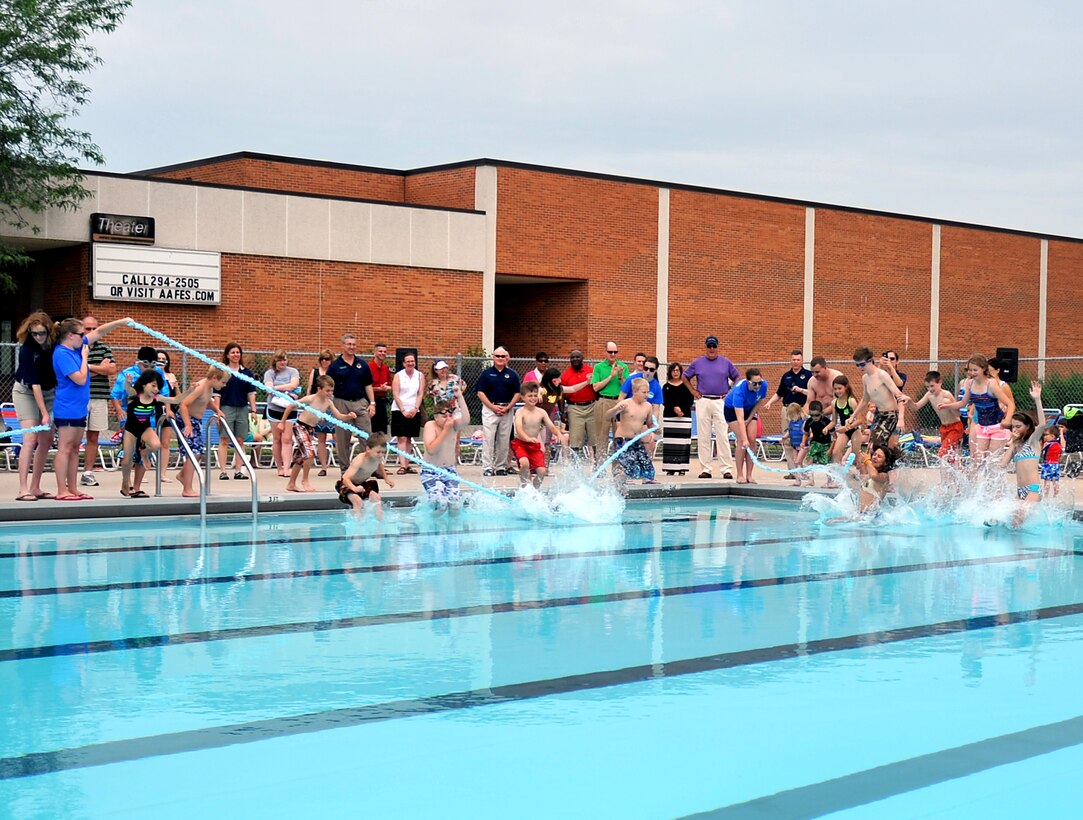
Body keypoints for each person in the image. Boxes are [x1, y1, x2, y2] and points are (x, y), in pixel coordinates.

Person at [51, 316, 131, 501]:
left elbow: (99, 332)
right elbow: (79, 378)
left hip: (79, 407)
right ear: (71, 335)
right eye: (81, 334)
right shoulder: (62, 353)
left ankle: (72, 488)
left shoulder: (77, 346)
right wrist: (86, 359)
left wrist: (120, 322)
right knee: (64, 448)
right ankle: (61, 489)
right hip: (67, 406)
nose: (85, 337)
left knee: (74, 448)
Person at [282, 374, 358, 492]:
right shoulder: (311, 398)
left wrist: (348, 416)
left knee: (300, 458)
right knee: (309, 453)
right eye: (327, 390)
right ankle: (305, 480)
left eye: (331, 391)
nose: (330, 393)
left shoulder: (328, 402)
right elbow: (291, 405)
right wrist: (283, 422)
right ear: (319, 389)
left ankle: (291, 484)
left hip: (311, 429)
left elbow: (339, 416)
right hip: (300, 426)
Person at [13, 311, 57, 501]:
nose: (38, 337)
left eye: (42, 333)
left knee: (46, 440)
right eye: (34, 333)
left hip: (49, 392)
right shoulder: (27, 349)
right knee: (30, 438)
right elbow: (34, 384)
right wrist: (44, 413)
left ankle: (36, 486)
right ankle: (23, 489)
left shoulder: (55, 345)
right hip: (26, 392)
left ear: (48, 331)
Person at [682, 335, 740, 479]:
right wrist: (693, 391)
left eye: (714, 346)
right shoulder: (698, 362)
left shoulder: (726, 363)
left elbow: (737, 378)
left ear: (717, 347)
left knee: (722, 435)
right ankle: (706, 469)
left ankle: (726, 469)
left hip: (721, 400)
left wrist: (731, 393)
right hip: (703, 400)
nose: (712, 349)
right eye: (709, 346)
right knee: (703, 435)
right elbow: (685, 377)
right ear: (706, 347)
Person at [119, 370, 183, 498]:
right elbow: (127, 389)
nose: (156, 389)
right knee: (127, 461)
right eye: (153, 385)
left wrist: (190, 390)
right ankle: (125, 483)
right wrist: (127, 382)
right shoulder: (134, 395)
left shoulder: (156, 398)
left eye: (158, 386)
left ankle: (144, 452)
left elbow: (176, 400)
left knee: (156, 445)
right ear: (143, 385)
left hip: (145, 428)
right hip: (131, 429)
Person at [938, 355, 1015, 461]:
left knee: (991, 461)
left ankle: (994, 477)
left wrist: (1007, 419)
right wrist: (947, 406)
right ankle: (976, 478)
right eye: (970, 370)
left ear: (983, 369)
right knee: (977, 459)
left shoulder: (991, 384)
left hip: (997, 426)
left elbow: (1010, 404)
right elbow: (963, 403)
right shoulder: (970, 383)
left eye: (975, 370)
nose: (972, 373)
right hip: (982, 426)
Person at [998, 384, 1046, 528]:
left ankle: (1020, 549)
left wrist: (1037, 399)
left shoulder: (1033, 442)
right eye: (1013, 426)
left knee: (1018, 519)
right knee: (1009, 519)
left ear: (1028, 427)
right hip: (1020, 491)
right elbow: (1002, 464)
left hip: (1033, 490)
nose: (1015, 429)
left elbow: (1042, 424)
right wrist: (1012, 443)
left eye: (1018, 426)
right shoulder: (1016, 446)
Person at [844, 346, 910, 450]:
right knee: (872, 446)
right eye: (857, 365)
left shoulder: (882, 375)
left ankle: (894, 462)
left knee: (879, 445)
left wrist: (901, 419)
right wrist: (853, 416)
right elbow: (865, 399)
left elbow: (900, 396)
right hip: (879, 414)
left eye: (862, 364)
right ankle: (890, 462)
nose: (860, 367)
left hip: (891, 415)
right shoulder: (865, 378)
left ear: (870, 361)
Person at [178, 365, 229, 497]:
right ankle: (187, 489)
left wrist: (217, 410)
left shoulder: (209, 387)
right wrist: (187, 425)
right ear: (214, 377)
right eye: (223, 382)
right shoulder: (200, 387)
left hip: (196, 421)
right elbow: (183, 404)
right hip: (187, 420)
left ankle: (183, 475)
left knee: (199, 453)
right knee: (193, 453)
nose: (224, 385)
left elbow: (207, 401)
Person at [327, 333, 376, 470]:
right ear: (343, 346)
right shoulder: (335, 366)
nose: (351, 347)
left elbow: (368, 385)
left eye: (354, 344)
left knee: (366, 436)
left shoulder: (362, 364)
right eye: (349, 344)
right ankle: (345, 469)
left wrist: (372, 403)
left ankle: (365, 468)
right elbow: (328, 387)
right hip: (341, 403)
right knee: (343, 439)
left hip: (360, 403)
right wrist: (330, 405)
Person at [79, 316, 117, 488]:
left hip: (99, 397)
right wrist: (98, 368)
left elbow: (111, 369)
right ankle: (70, 473)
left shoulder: (104, 348)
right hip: (79, 397)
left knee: (93, 436)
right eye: (87, 328)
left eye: (94, 328)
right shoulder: (75, 347)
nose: (91, 332)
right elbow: (74, 372)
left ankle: (88, 473)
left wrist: (87, 367)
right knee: (74, 437)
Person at [214, 342, 259, 480]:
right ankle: (223, 471)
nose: (235, 355)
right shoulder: (222, 371)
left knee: (240, 440)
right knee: (224, 440)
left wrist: (253, 410)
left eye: (238, 352)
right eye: (232, 352)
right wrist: (217, 411)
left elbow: (251, 392)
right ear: (227, 355)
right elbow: (217, 394)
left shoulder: (246, 372)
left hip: (242, 408)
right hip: (226, 407)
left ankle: (239, 470)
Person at [474, 346, 521, 477]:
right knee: (488, 439)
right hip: (490, 409)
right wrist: (492, 407)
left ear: (507, 358)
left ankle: (501, 467)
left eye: (503, 356)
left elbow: (517, 393)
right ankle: (488, 467)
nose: (500, 359)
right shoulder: (486, 373)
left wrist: (508, 407)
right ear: (493, 357)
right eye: (497, 356)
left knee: (504, 440)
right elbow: (480, 392)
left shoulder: (512, 374)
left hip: (507, 410)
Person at [512, 382, 567, 488]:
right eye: (530, 396)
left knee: (542, 471)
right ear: (523, 397)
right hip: (521, 444)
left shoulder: (541, 412)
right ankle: (524, 486)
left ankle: (535, 490)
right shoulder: (520, 412)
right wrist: (527, 438)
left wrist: (559, 434)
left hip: (534, 446)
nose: (533, 398)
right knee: (524, 463)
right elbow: (519, 429)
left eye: (535, 395)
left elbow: (551, 426)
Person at [604, 378, 656, 487]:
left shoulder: (647, 406)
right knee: (629, 463)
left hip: (636, 440)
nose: (646, 395)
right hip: (622, 440)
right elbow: (607, 416)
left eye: (647, 392)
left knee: (646, 462)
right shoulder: (625, 404)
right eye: (644, 392)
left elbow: (650, 423)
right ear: (635, 391)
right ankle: (623, 477)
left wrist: (656, 429)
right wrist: (615, 409)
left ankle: (647, 479)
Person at [724, 368, 768, 484]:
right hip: (732, 411)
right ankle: (739, 474)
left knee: (752, 440)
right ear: (748, 382)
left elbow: (759, 402)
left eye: (760, 382)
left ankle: (749, 475)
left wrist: (749, 419)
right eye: (755, 383)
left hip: (750, 410)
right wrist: (744, 439)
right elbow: (739, 419)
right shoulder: (739, 391)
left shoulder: (763, 385)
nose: (758, 385)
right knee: (742, 441)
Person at [336, 432, 394, 520]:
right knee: (358, 501)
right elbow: (345, 478)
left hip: (362, 484)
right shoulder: (360, 459)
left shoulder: (377, 458)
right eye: (378, 452)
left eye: (383, 452)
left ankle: (380, 524)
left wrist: (386, 478)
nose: (381, 455)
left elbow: (380, 465)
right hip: (346, 485)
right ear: (368, 449)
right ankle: (358, 527)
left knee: (376, 498)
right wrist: (354, 489)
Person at [909, 371, 964, 463]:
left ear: (940, 383)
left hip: (955, 427)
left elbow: (958, 413)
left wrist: (949, 404)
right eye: (927, 387)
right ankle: (957, 470)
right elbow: (916, 407)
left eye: (932, 386)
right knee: (950, 454)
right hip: (944, 428)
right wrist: (909, 400)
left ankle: (956, 469)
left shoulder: (946, 394)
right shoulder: (929, 395)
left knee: (943, 452)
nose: (930, 389)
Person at [422, 401, 465, 512]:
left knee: (455, 506)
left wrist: (460, 396)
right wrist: (445, 430)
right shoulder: (430, 425)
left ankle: (452, 529)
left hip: (450, 470)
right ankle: (432, 527)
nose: (448, 419)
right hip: (431, 471)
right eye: (444, 416)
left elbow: (466, 419)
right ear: (436, 417)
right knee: (441, 505)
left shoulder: (454, 426)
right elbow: (431, 450)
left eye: (450, 416)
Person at [263, 351, 301, 477]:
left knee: (287, 439)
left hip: (290, 409)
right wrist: (285, 388)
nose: (282, 362)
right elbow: (268, 388)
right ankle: (279, 467)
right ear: (275, 361)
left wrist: (277, 387)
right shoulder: (270, 373)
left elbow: (293, 385)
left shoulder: (293, 371)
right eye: (279, 360)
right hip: (274, 408)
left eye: (284, 360)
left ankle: (286, 467)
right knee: (277, 439)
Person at [618, 355, 663, 456]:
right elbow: (621, 398)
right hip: (628, 419)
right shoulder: (632, 380)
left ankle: (646, 468)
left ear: (655, 371)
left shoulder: (656, 387)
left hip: (644, 421)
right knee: (626, 448)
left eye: (651, 370)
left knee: (650, 444)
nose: (647, 371)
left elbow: (656, 410)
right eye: (645, 368)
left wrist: (653, 430)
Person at [590, 342, 629, 457]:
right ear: (605, 352)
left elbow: (627, 388)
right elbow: (596, 387)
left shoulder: (623, 366)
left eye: (615, 352)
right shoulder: (598, 367)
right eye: (610, 352)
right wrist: (611, 376)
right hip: (604, 401)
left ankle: (617, 469)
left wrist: (620, 376)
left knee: (619, 435)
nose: (613, 354)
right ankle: (600, 467)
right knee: (602, 435)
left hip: (619, 401)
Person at [560, 349, 598, 460]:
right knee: (575, 441)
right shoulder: (566, 375)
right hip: (574, 408)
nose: (575, 359)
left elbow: (597, 388)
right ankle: (576, 468)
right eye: (573, 357)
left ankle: (598, 465)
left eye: (577, 357)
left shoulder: (591, 371)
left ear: (582, 358)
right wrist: (562, 412)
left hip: (592, 407)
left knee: (594, 439)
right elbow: (561, 395)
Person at [391, 353, 425, 474]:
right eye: (408, 361)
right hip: (399, 409)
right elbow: (395, 394)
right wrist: (403, 410)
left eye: (412, 361)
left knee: (409, 438)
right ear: (404, 363)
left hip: (414, 409)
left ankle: (407, 464)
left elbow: (420, 393)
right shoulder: (398, 376)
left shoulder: (419, 375)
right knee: (402, 438)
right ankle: (402, 465)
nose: (410, 363)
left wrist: (415, 408)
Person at [763, 350, 811, 433]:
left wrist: (801, 390)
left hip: (802, 408)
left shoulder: (808, 375)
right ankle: (787, 446)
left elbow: (813, 393)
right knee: (786, 433)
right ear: (791, 361)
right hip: (787, 409)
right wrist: (769, 402)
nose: (795, 362)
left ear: (802, 361)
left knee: (802, 433)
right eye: (793, 360)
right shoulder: (786, 376)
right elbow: (779, 393)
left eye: (798, 360)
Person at [306, 349, 336, 477]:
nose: (325, 361)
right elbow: (310, 389)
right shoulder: (315, 372)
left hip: (332, 406)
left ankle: (344, 464)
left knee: (337, 437)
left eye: (327, 359)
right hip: (318, 406)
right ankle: (324, 466)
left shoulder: (334, 372)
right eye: (322, 359)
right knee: (321, 438)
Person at [661, 362, 694, 475]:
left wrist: (681, 410)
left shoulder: (686, 385)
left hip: (684, 418)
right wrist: (674, 408)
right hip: (670, 417)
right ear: (670, 372)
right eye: (673, 370)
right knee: (670, 443)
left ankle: (682, 468)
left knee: (683, 443)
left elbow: (690, 400)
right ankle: (670, 468)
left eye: (677, 370)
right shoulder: (666, 387)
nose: (675, 373)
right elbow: (665, 401)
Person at [801, 400, 835, 488]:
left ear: (822, 413)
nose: (814, 417)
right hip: (815, 443)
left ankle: (830, 481)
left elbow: (835, 437)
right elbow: (805, 433)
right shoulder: (809, 421)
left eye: (817, 415)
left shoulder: (826, 422)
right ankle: (811, 480)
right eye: (812, 415)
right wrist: (803, 442)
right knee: (808, 460)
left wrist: (830, 449)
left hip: (826, 444)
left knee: (826, 463)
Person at [828, 375, 858, 466]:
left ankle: (863, 477)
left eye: (839, 388)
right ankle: (841, 475)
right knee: (835, 452)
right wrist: (826, 428)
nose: (837, 391)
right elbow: (834, 421)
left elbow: (860, 420)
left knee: (856, 457)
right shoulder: (834, 403)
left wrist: (847, 427)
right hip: (844, 431)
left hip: (855, 430)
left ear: (846, 387)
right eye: (835, 389)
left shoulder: (851, 401)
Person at [369, 342, 392, 435]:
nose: (383, 353)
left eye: (385, 352)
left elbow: (390, 385)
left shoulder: (386, 368)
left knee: (381, 431)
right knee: (372, 429)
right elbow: (366, 387)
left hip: (382, 401)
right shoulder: (369, 367)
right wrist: (379, 389)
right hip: (371, 401)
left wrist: (387, 388)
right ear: (375, 352)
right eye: (380, 351)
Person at [880, 350, 908, 428]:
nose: (889, 361)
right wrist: (880, 365)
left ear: (897, 361)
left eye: (892, 359)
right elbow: (874, 379)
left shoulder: (901, 375)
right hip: (881, 409)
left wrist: (891, 368)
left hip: (895, 409)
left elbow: (899, 384)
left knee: (893, 437)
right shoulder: (881, 374)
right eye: (887, 358)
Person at [782, 403, 808, 485]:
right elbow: (789, 432)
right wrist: (784, 438)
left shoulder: (803, 422)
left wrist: (806, 441)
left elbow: (807, 433)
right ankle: (797, 480)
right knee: (795, 461)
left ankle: (805, 475)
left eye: (793, 415)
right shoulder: (791, 423)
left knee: (798, 461)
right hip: (794, 445)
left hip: (803, 445)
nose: (792, 418)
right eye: (790, 416)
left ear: (799, 412)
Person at [1040, 423, 1064, 497]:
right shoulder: (1058, 445)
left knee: (1047, 481)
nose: (1044, 436)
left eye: (1046, 435)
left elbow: (1041, 450)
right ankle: (1055, 496)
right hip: (1056, 465)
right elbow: (1061, 455)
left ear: (1052, 436)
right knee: (1055, 481)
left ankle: (1045, 496)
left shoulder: (1047, 444)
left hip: (1048, 464)